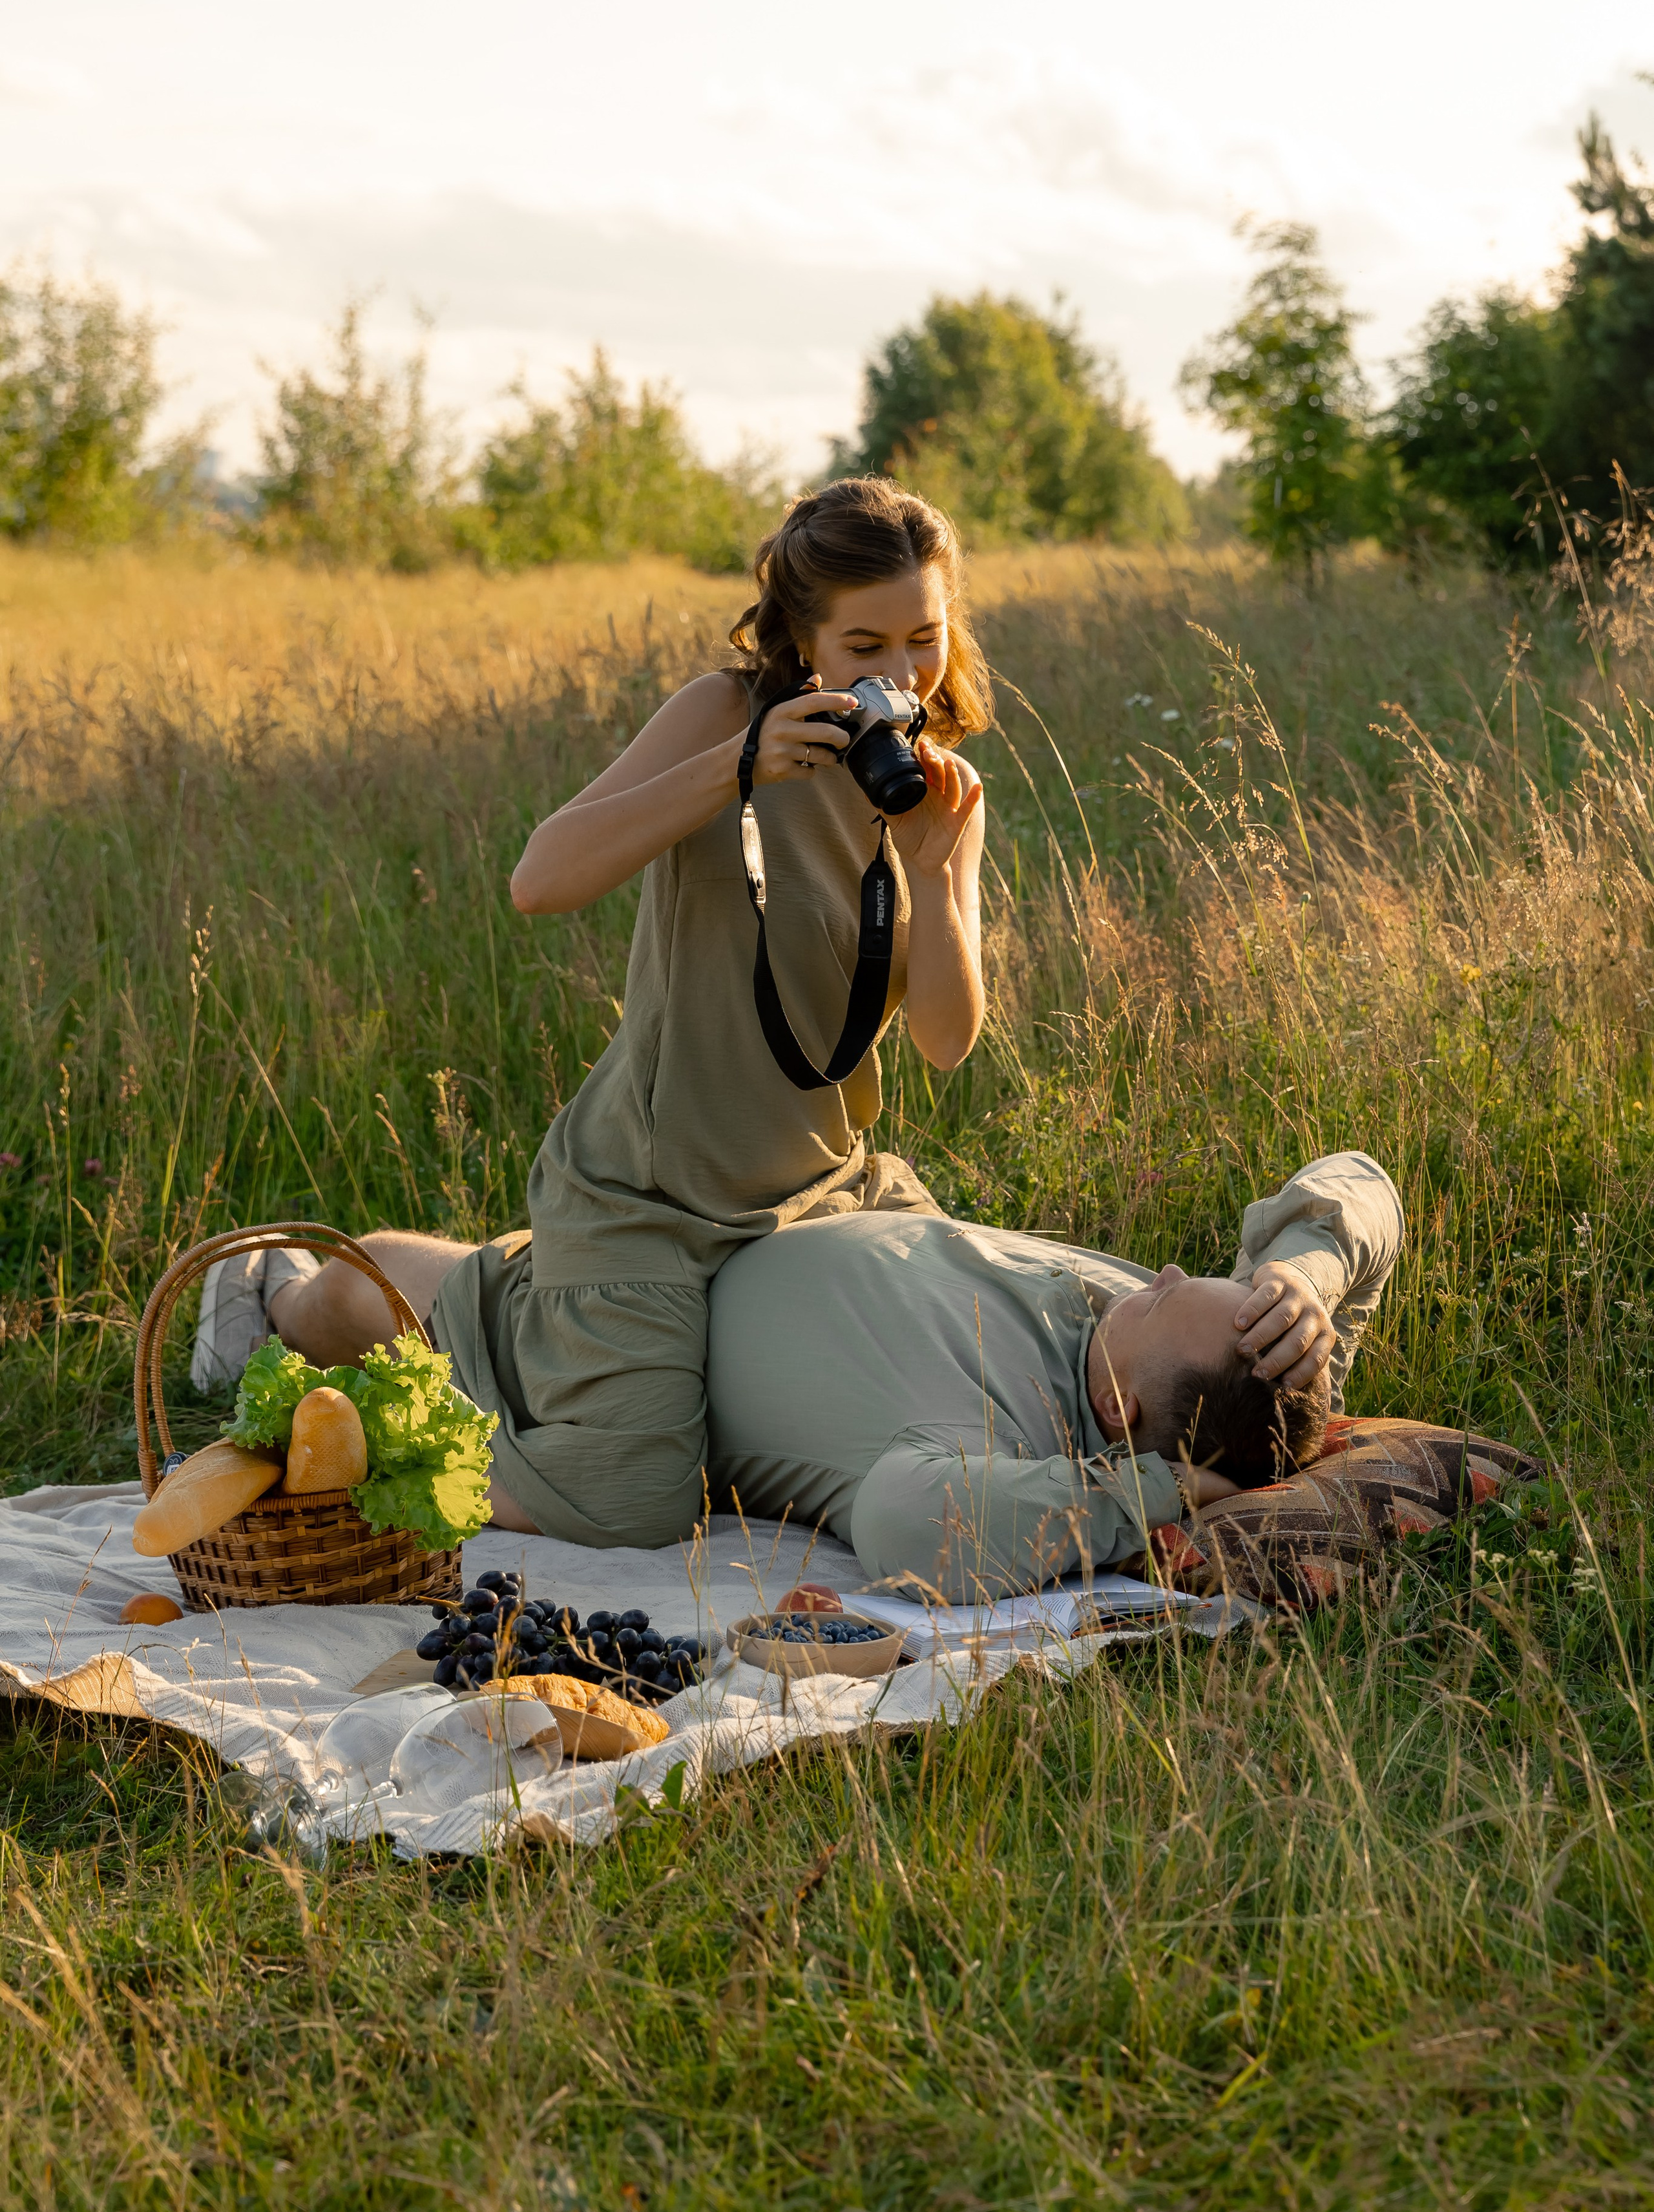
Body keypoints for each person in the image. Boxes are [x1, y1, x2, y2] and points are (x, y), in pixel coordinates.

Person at [193, 478, 991, 1547]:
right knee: (630, 1503)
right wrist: (735, 769)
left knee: (961, 1392)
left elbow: (945, 1040)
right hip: (651, 1195)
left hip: (821, 1190)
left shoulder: (934, 788)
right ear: (803, 640)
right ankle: (297, 1310)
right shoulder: (723, 716)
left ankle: (492, 1306)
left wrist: (937, 873)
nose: (900, 676)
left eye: (923, 639)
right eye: (863, 647)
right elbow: (541, 878)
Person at [697, 1149, 1403, 1600]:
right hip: (831, 1185)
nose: (1163, 1272)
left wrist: (1151, 1492)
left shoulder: (985, 1438)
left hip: (688, 1262)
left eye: (1158, 1300)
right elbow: (1363, 1179)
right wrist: (1307, 1277)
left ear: (1117, 1409)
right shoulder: (1259, 1361)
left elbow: (906, 1528)